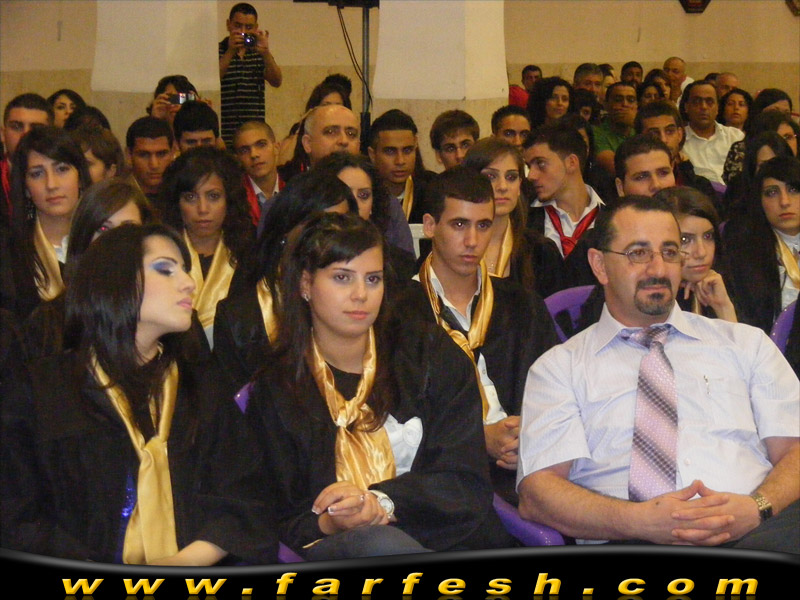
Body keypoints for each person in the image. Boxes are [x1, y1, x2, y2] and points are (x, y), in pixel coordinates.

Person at [517, 194, 799, 552]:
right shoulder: (559, 369)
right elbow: (538, 493)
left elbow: (794, 450)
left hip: (756, 534)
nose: (658, 269)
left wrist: (758, 507)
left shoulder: (745, 345)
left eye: (669, 252)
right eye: (638, 253)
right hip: (628, 541)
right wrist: (638, 521)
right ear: (600, 265)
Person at [1, 223, 277, 564]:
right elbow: (17, 516)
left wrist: (182, 564)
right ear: (116, 279)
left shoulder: (201, 385)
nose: (189, 282)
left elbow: (245, 498)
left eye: (186, 269)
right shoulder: (43, 390)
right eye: (166, 269)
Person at [244, 211, 512, 560]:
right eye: (342, 278)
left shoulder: (428, 354)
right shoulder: (277, 388)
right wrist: (331, 522)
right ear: (306, 284)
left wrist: (382, 500)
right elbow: (275, 515)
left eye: (373, 279)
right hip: (342, 550)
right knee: (380, 545)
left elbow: (463, 478)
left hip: (444, 531)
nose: (360, 295)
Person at [395, 167, 558, 503]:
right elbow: (397, 420)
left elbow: (555, 392)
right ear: (430, 226)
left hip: (530, 468)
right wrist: (477, 438)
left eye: (483, 225)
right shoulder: (397, 313)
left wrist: (528, 435)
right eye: (459, 225)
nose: (472, 241)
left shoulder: (524, 305)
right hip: (441, 481)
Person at [213, 169, 358, 393]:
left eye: (340, 225)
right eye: (316, 225)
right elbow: (232, 402)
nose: (328, 238)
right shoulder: (240, 318)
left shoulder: (367, 301)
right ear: (286, 230)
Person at [21, 179, 156, 361]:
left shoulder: (164, 313)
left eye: (128, 228)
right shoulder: (49, 323)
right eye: (103, 229)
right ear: (84, 237)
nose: (115, 240)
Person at [159, 146, 254, 346]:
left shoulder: (250, 255)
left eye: (213, 196)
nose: (202, 209)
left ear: (229, 200)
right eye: (191, 197)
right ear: (176, 202)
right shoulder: (158, 257)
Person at [3, 126, 90, 320]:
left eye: (62, 169)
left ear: (80, 177)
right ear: (26, 188)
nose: (51, 184)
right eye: (37, 174)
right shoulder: (9, 252)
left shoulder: (103, 241)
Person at [463, 138, 562, 297]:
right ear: (470, 183)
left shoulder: (541, 252)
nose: (502, 187)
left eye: (511, 177)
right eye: (491, 177)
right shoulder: (452, 249)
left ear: (519, 186)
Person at [721, 156, 800, 334]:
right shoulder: (742, 249)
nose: (784, 201)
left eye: (793, 190)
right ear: (760, 201)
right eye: (772, 192)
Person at [524, 122, 604, 291]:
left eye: (540, 164)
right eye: (529, 166)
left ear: (571, 163)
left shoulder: (612, 219)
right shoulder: (524, 221)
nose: (531, 175)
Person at [654, 186, 736, 321]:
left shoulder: (721, 283)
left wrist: (723, 307)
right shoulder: (644, 299)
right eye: (684, 240)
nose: (701, 252)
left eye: (708, 236)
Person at [219, 2, 282, 147]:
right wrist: (230, 52)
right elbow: (213, 80)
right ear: (228, 25)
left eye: (248, 27)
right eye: (237, 26)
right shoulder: (219, 50)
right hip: (227, 131)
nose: (243, 32)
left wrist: (266, 53)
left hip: (255, 132)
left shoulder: (259, 52)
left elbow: (277, 81)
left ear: (256, 27)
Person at [634, 100, 715, 202]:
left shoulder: (700, 187)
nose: (663, 139)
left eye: (669, 131)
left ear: (679, 135)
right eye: (654, 133)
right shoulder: (636, 188)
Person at [367, 109, 434, 224]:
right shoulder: (363, 195)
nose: (400, 161)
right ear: (373, 155)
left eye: (407, 150)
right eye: (390, 151)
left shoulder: (433, 191)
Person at [1, 93, 53, 224]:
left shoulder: (62, 181)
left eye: (36, 129)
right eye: (16, 127)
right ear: (2, 134)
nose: (25, 135)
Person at [679, 81, 744, 184]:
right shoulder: (679, 140)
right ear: (686, 107)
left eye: (709, 102)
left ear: (717, 108)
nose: (704, 107)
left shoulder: (736, 137)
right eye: (697, 102)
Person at [233, 120, 281, 225]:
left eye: (261, 145)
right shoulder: (234, 199)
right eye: (245, 150)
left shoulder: (294, 189)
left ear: (276, 148)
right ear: (238, 158)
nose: (254, 154)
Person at [125, 116, 175, 205]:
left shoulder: (181, 192)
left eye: (161, 154)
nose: (154, 165)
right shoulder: (116, 198)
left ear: (172, 153)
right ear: (129, 155)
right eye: (144, 155)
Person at [594, 82, 638, 175]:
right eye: (618, 100)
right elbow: (617, 169)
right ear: (606, 105)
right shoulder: (596, 133)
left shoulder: (639, 131)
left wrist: (636, 124)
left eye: (631, 100)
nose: (625, 104)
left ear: (636, 106)